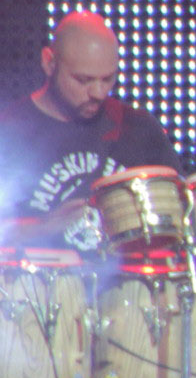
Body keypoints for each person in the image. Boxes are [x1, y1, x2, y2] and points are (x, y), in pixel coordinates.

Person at [0, 12, 181, 226]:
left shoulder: (140, 129)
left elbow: (182, 217)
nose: (98, 93)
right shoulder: (9, 132)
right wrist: (44, 227)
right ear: (49, 63)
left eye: (107, 79)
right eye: (83, 80)